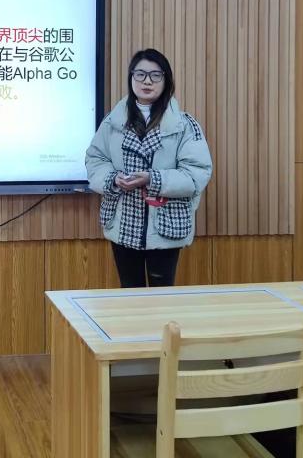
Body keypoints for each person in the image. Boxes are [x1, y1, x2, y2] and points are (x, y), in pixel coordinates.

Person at [85, 49, 213, 289]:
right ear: (131, 78)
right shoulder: (112, 122)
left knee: (161, 297)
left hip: (167, 224)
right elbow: (95, 160)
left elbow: (196, 174)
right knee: (129, 291)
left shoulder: (185, 125)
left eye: (155, 75)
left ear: (166, 81)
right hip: (123, 222)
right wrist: (113, 179)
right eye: (140, 74)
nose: (147, 81)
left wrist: (152, 179)